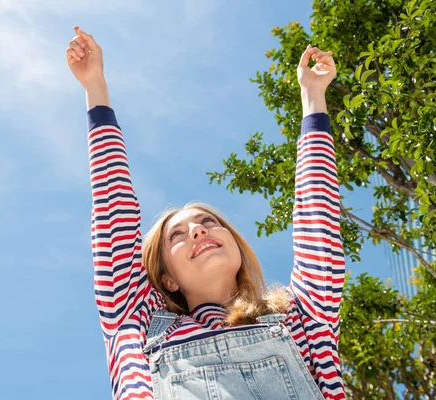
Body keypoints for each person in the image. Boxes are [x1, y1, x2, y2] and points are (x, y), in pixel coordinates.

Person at [67, 25, 345, 400]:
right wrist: (95, 88)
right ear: (166, 280)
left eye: (208, 222)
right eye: (177, 235)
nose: (198, 231)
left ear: (237, 248)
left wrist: (314, 96)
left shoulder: (302, 321)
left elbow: (319, 222)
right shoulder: (138, 323)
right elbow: (113, 209)